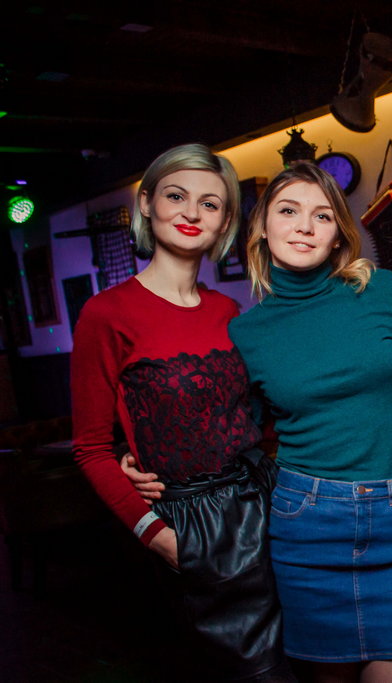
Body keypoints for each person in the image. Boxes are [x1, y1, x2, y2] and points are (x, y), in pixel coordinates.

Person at [71, 143, 288, 680]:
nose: (192, 213)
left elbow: (254, 419)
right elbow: (91, 448)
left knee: (304, 661)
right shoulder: (106, 313)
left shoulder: (228, 310)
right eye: (176, 196)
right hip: (191, 525)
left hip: (266, 504)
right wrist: (156, 533)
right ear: (147, 204)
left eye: (210, 204)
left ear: (225, 223)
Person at [228, 161, 392, 683]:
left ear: (338, 234)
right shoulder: (245, 333)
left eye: (322, 216)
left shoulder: (382, 290)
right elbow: (235, 436)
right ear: (261, 228)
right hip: (308, 525)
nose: (305, 226)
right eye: (288, 211)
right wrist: (136, 456)